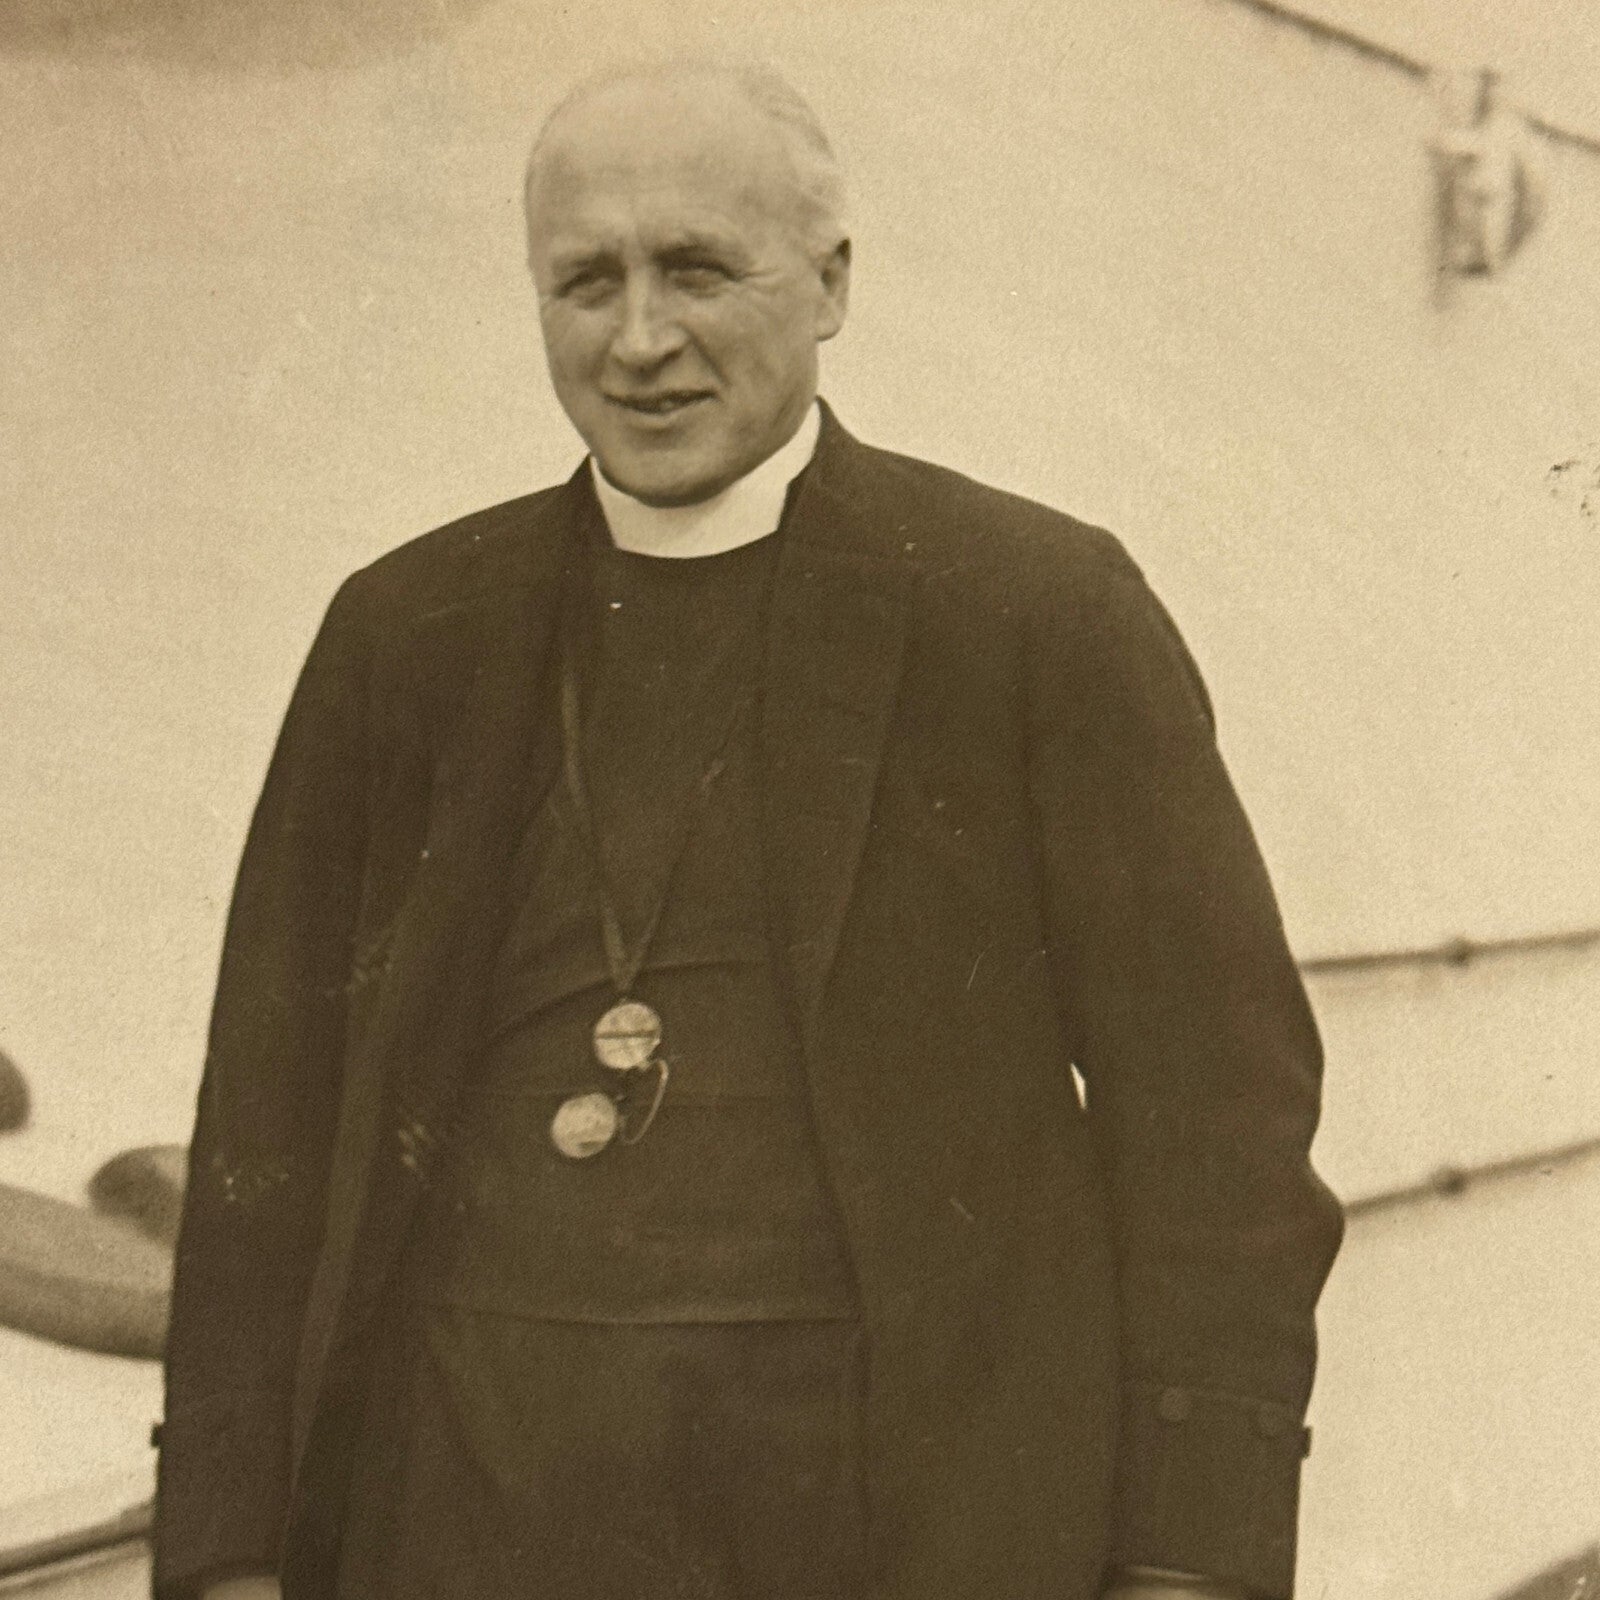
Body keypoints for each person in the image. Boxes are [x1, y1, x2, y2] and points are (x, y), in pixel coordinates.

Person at [153, 61, 1343, 1600]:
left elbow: (1219, 1128)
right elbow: (267, 1121)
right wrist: (228, 1552)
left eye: (699, 269)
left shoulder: (1033, 613)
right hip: (465, 1504)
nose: (640, 339)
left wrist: (1187, 1568)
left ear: (832, 282)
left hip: (898, 1527)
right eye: (587, 281)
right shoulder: (409, 634)